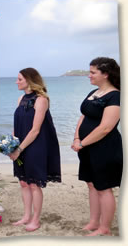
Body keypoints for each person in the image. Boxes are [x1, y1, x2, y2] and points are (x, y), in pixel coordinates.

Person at [71, 57, 122, 236]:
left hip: (104, 148)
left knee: (103, 187)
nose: (89, 75)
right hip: (85, 147)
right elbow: (83, 116)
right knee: (91, 184)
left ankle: (105, 228)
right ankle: (94, 222)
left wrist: (83, 143)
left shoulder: (116, 95)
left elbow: (106, 128)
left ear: (106, 74)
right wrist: (77, 138)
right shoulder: (94, 92)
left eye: (93, 72)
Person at [8, 68, 61, 232]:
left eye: (19, 79)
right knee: (23, 182)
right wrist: (11, 146)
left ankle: (35, 219)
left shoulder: (41, 100)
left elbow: (35, 130)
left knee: (33, 185)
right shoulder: (20, 99)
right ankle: (26, 216)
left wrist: (20, 149)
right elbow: (16, 127)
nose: (16, 82)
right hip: (20, 147)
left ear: (30, 80)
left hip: (35, 146)